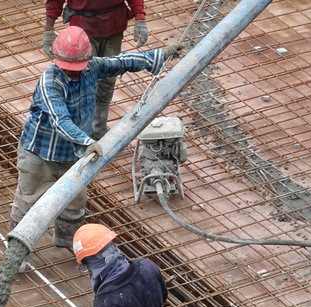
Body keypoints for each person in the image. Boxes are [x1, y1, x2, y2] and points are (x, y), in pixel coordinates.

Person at [10, 26, 182, 251]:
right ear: (57, 59)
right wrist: (88, 142)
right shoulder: (50, 82)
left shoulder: (91, 68)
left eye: (77, 68)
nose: (73, 72)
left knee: (75, 199)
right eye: (69, 69)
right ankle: (18, 253)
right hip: (40, 154)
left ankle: (65, 238)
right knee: (28, 201)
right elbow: (60, 120)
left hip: (72, 154)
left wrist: (159, 55)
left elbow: (121, 61)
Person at [42, 1, 149, 140]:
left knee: (108, 79)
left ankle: (98, 131)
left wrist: (140, 17)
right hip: (83, 29)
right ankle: (77, 132)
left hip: (114, 25)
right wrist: (48, 29)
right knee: (80, 79)